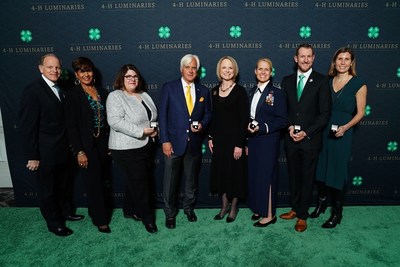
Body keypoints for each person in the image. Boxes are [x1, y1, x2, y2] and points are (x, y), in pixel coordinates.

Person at [19, 53, 83, 237]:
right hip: (45, 153)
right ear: (41, 68)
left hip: (63, 150)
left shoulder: (61, 89)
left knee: (62, 186)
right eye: (50, 67)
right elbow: (27, 127)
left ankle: (66, 213)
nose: (55, 70)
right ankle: (54, 223)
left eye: (57, 67)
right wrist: (32, 155)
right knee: (48, 190)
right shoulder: (32, 91)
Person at [310, 47, 367, 228]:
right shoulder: (327, 81)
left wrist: (345, 127)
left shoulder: (359, 83)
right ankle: (321, 203)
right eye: (339, 59)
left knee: (337, 170)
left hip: (343, 131)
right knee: (321, 168)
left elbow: (360, 113)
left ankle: (337, 212)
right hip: (324, 130)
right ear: (334, 62)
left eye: (346, 59)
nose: (342, 62)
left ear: (351, 62)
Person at [279, 44, 331, 232]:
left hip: (310, 140)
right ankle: (294, 208)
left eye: (309, 56)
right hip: (291, 139)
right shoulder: (286, 81)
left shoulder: (322, 81)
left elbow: (324, 114)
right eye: (302, 56)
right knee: (294, 176)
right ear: (296, 58)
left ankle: (302, 215)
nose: (305, 60)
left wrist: (306, 132)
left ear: (314, 58)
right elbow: (282, 110)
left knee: (307, 177)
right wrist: (290, 127)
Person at [159, 54, 212, 229]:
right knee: (170, 181)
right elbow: (163, 116)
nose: (191, 70)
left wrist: (202, 125)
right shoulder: (169, 87)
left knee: (191, 180)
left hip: (194, 143)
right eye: (188, 67)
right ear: (181, 69)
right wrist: (165, 140)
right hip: (173, 143)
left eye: (194, 67)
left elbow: (207, 114)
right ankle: (169, 213)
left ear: (197, 70)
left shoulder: (203, 90)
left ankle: (188, 208)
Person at [107, 64, 158, 234]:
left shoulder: (143, 95)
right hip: (125, 148)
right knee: (140, 183)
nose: (132, 79)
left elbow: (152, 117)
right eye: (128, 76)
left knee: (135, 181)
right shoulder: (115, 96)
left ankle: (130, 210)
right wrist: (142, 131)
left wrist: (153, 131)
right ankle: (148, 219)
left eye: (135, 76)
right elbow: (115, 121)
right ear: (121, 78)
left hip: (145, 145)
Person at [64, 57, 111, 233]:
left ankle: (94, 211)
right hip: (85, 145)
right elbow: (71, 127)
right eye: (82, 71)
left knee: (101, 180)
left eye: (88, 70)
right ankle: (100, 220)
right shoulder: (73, 94)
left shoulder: (103, 92)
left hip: (102, 143)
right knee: (93, 183)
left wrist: (109, 145)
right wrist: (79, 151)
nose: (86, 74)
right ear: (76, 74)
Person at [247, 58, 287, 227]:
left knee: (267, 177)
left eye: (267, 70)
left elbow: (283, 121)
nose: (263, 72)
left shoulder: (277, 93)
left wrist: (262, 128)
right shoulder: (251, 91)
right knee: (255, 175)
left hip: (268, 141)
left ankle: (269, 214)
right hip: (254, 141)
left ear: (271, 73)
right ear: (255, 71)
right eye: (260, 69)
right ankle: (258, 208)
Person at [208, 56, 249, 223]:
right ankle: (224, 206)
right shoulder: (214, 91)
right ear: (219, 70)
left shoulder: (240, 91)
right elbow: (212, 117)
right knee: (221, 173)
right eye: (224, 67)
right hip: (219, 141)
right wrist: (210, 137)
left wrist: (240, 144)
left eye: (230, 68)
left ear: (235, 71)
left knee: (235, 174)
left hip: (235, 141)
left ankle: (234, 207)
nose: (227, 70)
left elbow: (244, 119)